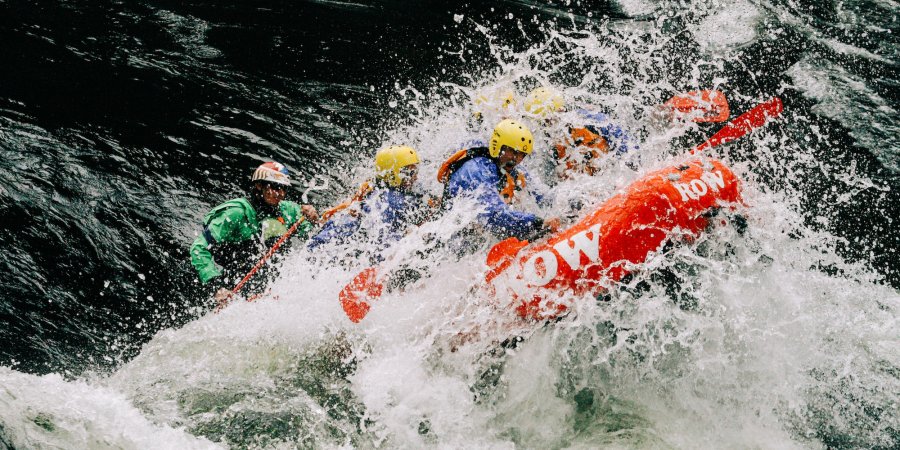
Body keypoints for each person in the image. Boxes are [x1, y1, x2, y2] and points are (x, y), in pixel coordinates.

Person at [189, 162, 319, 302]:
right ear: (259, 186)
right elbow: (199, 248)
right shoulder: (235, 213)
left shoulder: (289, 210)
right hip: (235, 280)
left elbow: (313, 235)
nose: (280, 194)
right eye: (275, 187)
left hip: (271, 281)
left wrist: (313, 220)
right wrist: (216, 287)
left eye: (284, 189)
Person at [437, 119, 560, 250]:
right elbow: (494, 216)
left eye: (521, 155)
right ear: (498, 146)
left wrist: (569, 206)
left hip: (481, 235)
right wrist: (538, 222)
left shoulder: (508, 166)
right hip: (457, 243)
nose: (516, 159)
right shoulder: (474, 171)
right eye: (513, 152)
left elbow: (542, 197)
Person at [307, 145, 431, 263]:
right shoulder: (385, 202)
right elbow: (383, 243)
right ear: (393, 174)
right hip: (331, 245)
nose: (415, 178)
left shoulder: (398, 188)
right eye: (410, 173)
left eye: (416, 171)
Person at [524, 87, 639, 179]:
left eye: (549, 120)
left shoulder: (589, 120)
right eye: (543, 123)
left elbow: (626, 144)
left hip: (611, 175)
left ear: (562, 110)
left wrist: (634, 167)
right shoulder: (546, 146)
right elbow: (547, 183)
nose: (548, 126)